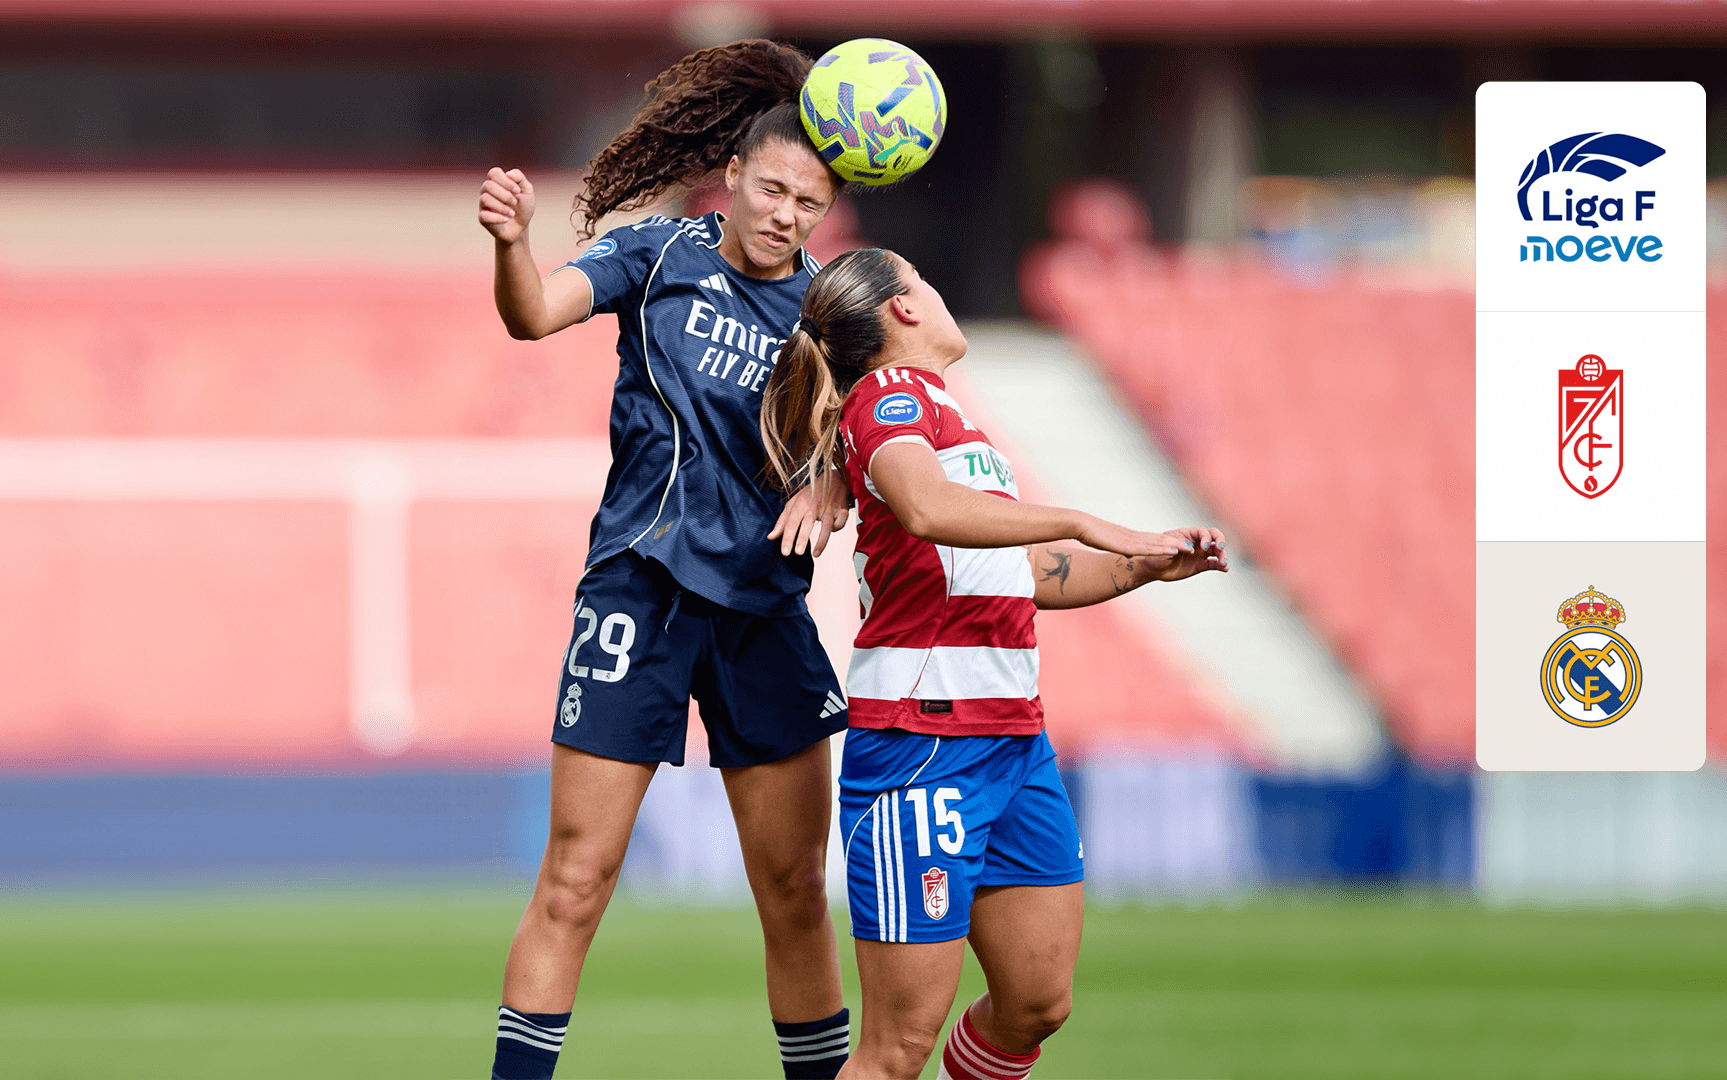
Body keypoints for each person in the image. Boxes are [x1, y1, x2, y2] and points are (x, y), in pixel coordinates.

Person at [476, 39, 857, 1080]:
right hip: (638, 594)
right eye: (771, 189)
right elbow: (531, 315)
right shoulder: (654, 256)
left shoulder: (832, 316)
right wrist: (513, 244)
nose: (784, 215)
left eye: (808, 203)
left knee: (795, 894)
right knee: (574, 881)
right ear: (732, 174)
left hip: (762, 612)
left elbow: (881, 433)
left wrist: (832, 482)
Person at [759, 248, 1229, 1080]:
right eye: (924, 278)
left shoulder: (950, 414)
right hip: (924, 746)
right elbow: (925, 506)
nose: (938, 289)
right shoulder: (888, 396)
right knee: (897, 1046)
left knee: (1036, 1002)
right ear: (905, 308)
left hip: (1014, 741)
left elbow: (1022, 573)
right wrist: (1084, 520)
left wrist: (1144, 566)